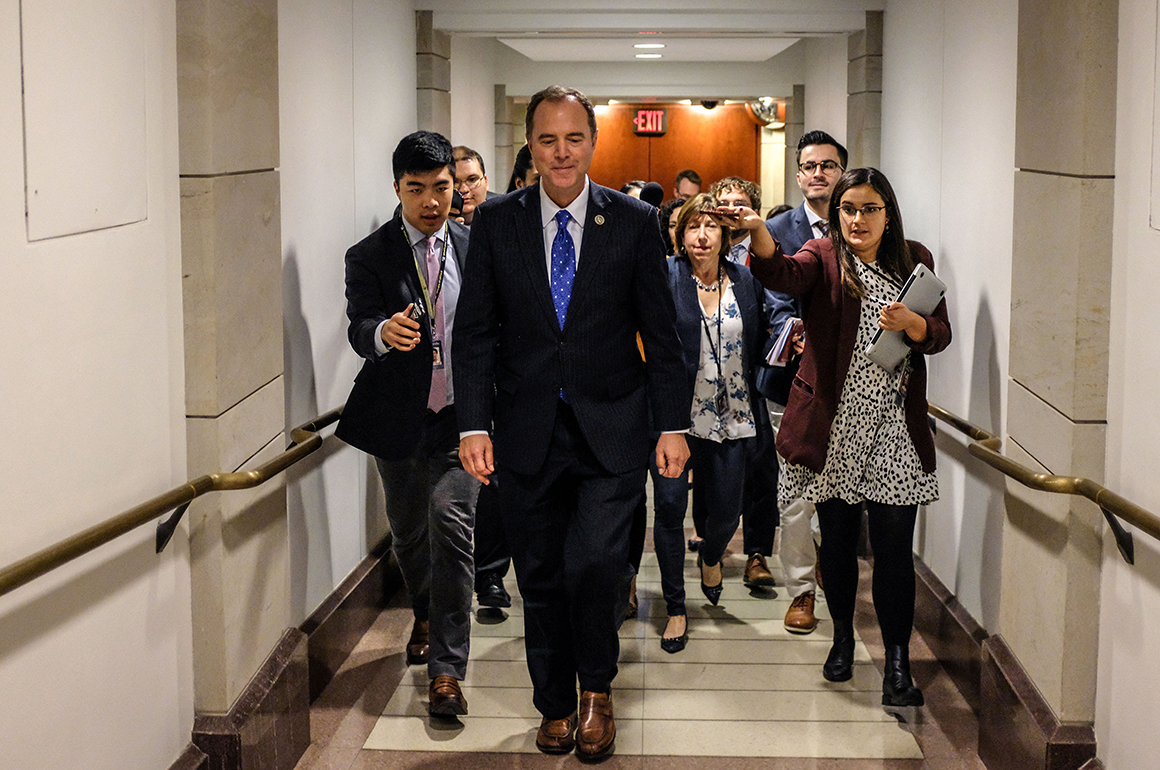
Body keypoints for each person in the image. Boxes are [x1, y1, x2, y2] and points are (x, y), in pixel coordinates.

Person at [454, 85, 690, 759]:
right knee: (540, 574)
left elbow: (662, 334)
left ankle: (596, 691)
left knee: (593, 566)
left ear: (593, 142)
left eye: (574, 138)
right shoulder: (498, 221)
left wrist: (672, 424)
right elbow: (474, 334)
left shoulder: (633, 221)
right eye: (548, 139)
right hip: (526, 432)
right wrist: (474, 424)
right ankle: (554, 703)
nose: (561, 152)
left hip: (613, 427)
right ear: (530, 145)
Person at [749, 167, 951, 708]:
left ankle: (898, 663)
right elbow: (782, 274)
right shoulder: (823, 255)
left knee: (893, 551)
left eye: (869, 209)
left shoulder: (915, 259)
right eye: (848, 210)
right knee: (836, 543)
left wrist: (913, 324)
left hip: (894, 428)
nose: (858, 220)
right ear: (835, 213)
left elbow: (940, 334)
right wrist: (757, 232)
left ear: (888, 213)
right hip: (834, 427)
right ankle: (841, 637)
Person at [334, 131, 479, 718]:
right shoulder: (369, 255)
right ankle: (423, 607)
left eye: (441, 187)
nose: (430, 201)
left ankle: (447, 669)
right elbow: (357, 325)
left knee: (451, 525)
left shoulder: (477, 246)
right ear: (397, 188)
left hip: (463, 420)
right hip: (398, 417)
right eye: (416, 189)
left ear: (455, 186)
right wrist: (379, 335)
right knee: (408, 532)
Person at [651, 194, 774, 654]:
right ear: (680, 236)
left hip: (731, 414)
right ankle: (676, 606)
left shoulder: (744, 280)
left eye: (710, 227)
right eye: (691, 227)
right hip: (673, 417)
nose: (701, 236)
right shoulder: (667, 276)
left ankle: (709, 552)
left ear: (725, 234)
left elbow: (761, 335)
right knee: (666, 508)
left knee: (726, 511)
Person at [763, 130, 848, 634]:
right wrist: (791, 333)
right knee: (794, 494)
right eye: (810, 166)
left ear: (842, 172)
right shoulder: (776, 229)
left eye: (829, 165)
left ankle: (831, 574)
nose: (818, 173)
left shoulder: (861, 224)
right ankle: (800, 590)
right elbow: (770, 296)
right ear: (797, 175)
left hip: (850, 388)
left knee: (838, 494)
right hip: (791, 383)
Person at [705, 176, 778, 589]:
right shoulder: (702, 249)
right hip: (707, 381)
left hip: (756, 376)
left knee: (760, 468)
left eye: (740, 202)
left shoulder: (763, 253)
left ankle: (757, 554)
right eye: (725, 202)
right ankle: (711, 544)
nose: (732, 208)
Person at [710, 176, 762, 267]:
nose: (731, 209)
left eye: (739, 204)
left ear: (755, 212)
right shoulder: (706, 248)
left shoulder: (764, 249)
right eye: (723, 204)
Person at [452, 145, 494, 225]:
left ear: (486, 182)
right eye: (455, 182)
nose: (464, 190)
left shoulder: (505, 217)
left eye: (472, 180)